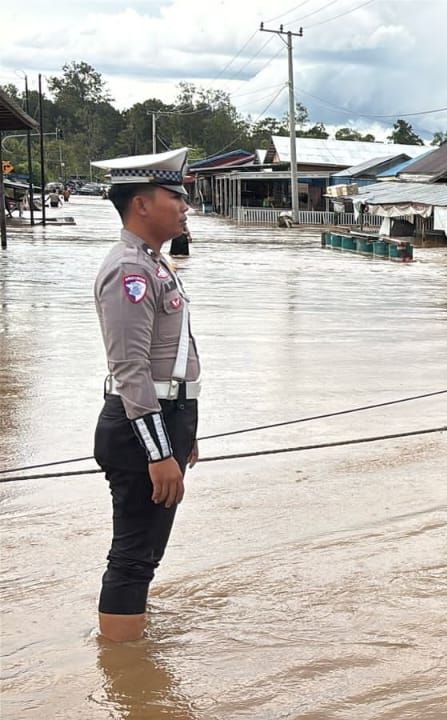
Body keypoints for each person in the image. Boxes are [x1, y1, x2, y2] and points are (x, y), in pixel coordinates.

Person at [89, 147, 201, 642]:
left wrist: (185, 435)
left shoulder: (153, 265)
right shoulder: (129, 272)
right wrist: (160, 452)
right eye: (173, 196)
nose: (183, 206)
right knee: (134, 556)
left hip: (163, 420)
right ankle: (125, 675)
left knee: (145, 554)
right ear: (141, 203)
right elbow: (131, 370)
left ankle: (131, 651)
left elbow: (169, 364)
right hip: (141, 430)